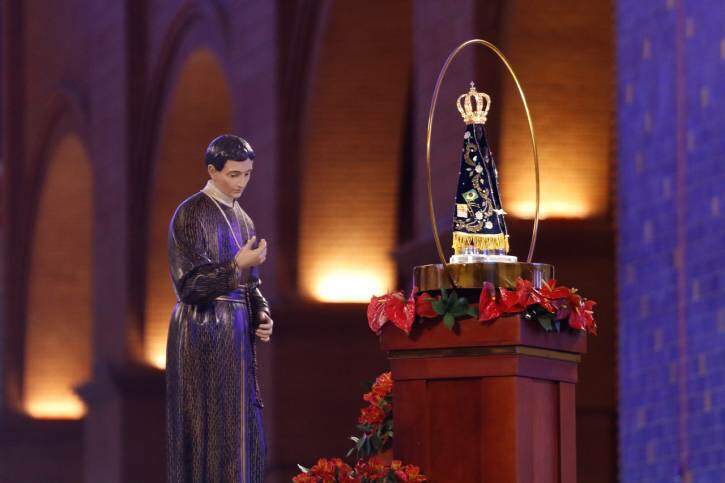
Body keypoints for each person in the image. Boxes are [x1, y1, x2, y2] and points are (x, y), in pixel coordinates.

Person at [166, 134, 273, 482]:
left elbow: (251, 286)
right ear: (213, 171)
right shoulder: (190, 213)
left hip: (236, 334)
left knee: (241, 427)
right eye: (233, 175)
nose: (241, 183)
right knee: (207, 427)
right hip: (202, 332)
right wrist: (235, 266)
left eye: (247, 174)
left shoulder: (244, 220)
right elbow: (188, 286)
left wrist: (261, 313)